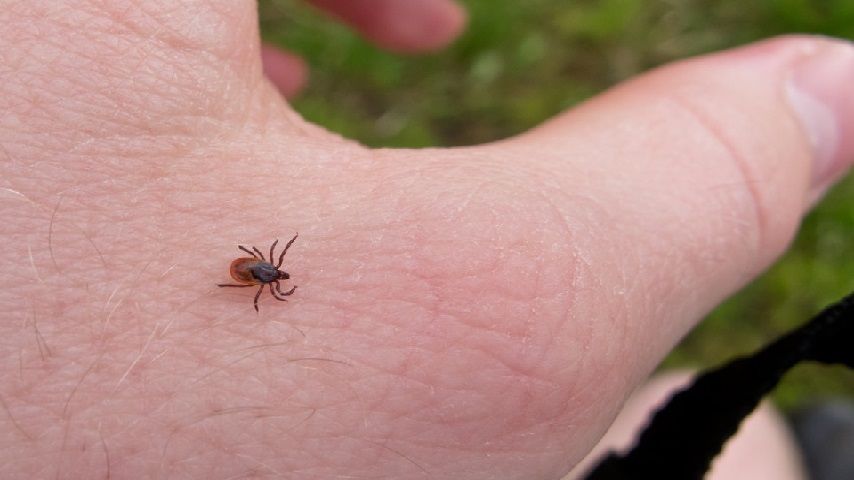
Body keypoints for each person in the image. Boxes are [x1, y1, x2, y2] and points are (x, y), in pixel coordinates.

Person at [0, 1, 851, 478]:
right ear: (260, 276)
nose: (268, 276)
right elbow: (253, 268)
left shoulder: (259, 272)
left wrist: (256, 272)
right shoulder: (255, 276)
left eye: (267, 274)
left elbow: (258, 263)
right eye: (266, 276)